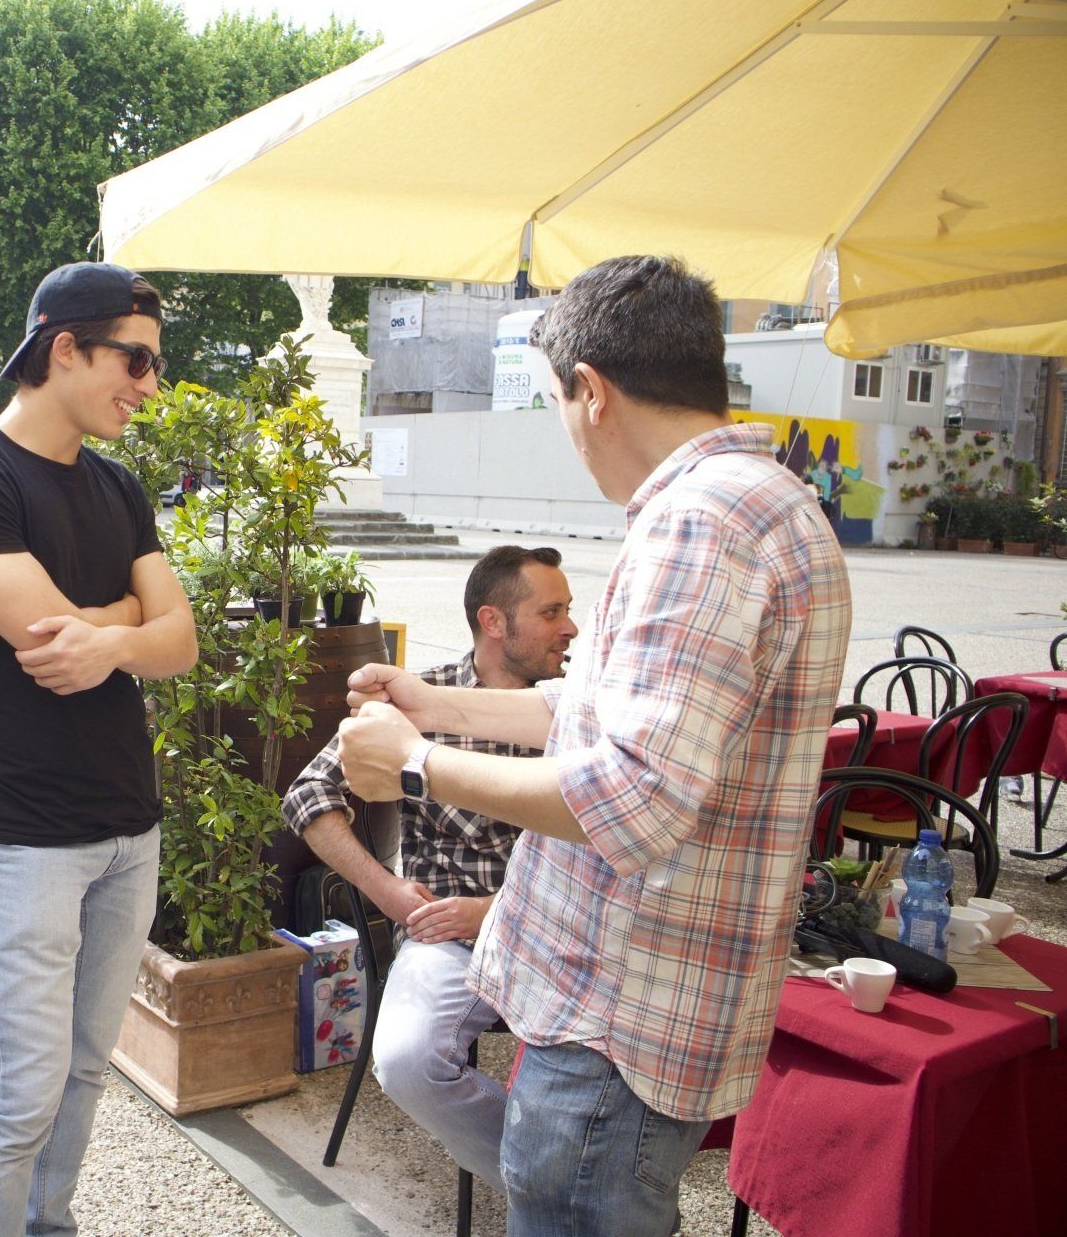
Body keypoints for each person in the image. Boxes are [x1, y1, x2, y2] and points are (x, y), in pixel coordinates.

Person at [338, 254, 851, 1236]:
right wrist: (431, 703)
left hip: (616, 1014)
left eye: (556, 403)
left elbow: (633, 796)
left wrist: (414, 761)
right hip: (639, 1004)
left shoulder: (701, 524)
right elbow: (604, 710)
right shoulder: (764, 501)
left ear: (592, 390)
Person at [0, 261, 198, 1237]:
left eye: (155, 365)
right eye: (136, 360)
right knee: (18, 1091)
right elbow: (50, 647)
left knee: (80, 1072)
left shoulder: (117, 485)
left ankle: (49, 1224)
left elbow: (181, 642)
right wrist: (130, 622)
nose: (149, 386)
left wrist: (107, 633)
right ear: (64, 348)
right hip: (24, 837)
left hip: (130, 831)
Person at [283, 545, 575, 1193]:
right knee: (407, 1062)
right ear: (493, 621)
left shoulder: (579, 710)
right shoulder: (421, 700)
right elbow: (307, 796)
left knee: (617, 1065)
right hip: (446, 935)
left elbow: (617, 837)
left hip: (565, 934)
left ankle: (581, 1182)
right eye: (552, 612)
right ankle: (550, 1189)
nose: (571, 628)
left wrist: (495, 910)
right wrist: (386, 891)